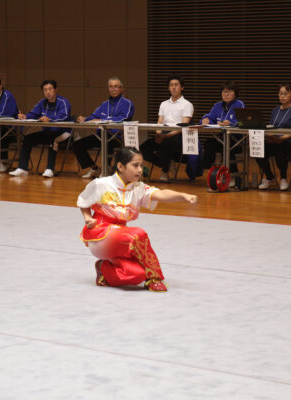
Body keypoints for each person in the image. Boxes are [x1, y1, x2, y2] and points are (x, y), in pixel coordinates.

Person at [77, 146, 197, 292]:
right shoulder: (101, 184)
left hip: (121, 236)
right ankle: (154, 278)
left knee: (137, 275)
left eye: (141, 165)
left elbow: (161, 194)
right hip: (101, 234)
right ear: (120, 166)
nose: (140, 170)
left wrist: (183, 196)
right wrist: (88, 217)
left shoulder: (138, 188)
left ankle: (103, 268)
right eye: (135, 165)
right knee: (138, 234)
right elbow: (83, 202)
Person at [72, 77, 134, 178]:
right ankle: (94, 168)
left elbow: (125, 118)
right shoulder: (104, 104)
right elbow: (93, 117)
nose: (113, 89)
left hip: (116, 137)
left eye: (116, 87)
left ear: (121, 89)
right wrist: (84, 119)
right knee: (77, 145)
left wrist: (103, 120)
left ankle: (107, 169)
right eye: (110, 87)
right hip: (100, 135)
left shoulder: (127, 103)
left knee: (107, 141)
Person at [9, 80, 72, 178]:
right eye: (45, 90)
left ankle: (50, 169)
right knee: (27, 139)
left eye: (50, 89)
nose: (48, 92)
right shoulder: (42, 102)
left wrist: (50, 119)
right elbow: (34, 114)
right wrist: (25, 116)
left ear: (55, 90)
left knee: (53, 139)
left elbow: (64, 116)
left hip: (63, 132)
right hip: (47, 131)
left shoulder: (63, 102)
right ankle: (22, 168)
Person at [140, 74, 194, 182]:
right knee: (143, 148)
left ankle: (164, 172)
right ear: (168, 88)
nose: (174, 87)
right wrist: (159, 133)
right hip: (163, 133)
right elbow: (160, 121)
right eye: (171, 85)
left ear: (182, 87)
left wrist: (167, 136)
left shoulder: (187, 104)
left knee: (164, 146)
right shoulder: (163, 104)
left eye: (176, 85)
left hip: (178, 136)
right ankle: (167, 164)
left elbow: (184, 126)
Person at [255, 83, 291, 191]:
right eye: (280, 93)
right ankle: (270, 177)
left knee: (280, 148)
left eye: (285, 93)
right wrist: (269, 136)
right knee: (257, 148)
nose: (282, 96)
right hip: (275, 140)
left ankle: (283, 178)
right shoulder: (275, 110)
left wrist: (280, 139)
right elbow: (271, 127)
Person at [200, 80, 245, 184]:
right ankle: (210, 171)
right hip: (221, 138)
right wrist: (205, 120)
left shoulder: (239, 104)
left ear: (235, 93)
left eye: (229, 91)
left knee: (228, 149)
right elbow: (209, 117)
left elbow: (241, 121)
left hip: (236, 140)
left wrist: (230, 123)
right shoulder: (217, 105)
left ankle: (233, 177)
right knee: (209, 143)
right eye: (224, 92)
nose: (226, 94)